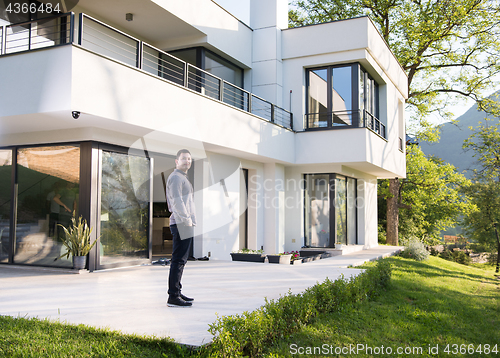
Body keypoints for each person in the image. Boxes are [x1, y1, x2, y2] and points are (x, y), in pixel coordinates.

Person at [166, 149, 196, 307]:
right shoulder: (177, 177)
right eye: (184, 158)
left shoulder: (182, 178)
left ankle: (177, 291)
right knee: (178, 260)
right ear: (176, 161)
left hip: (184, 222)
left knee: (181, 261)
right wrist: (186, 220)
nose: (187, 161)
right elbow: (177, 202)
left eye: (189, 159)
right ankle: (173, 296)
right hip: (181, 223)